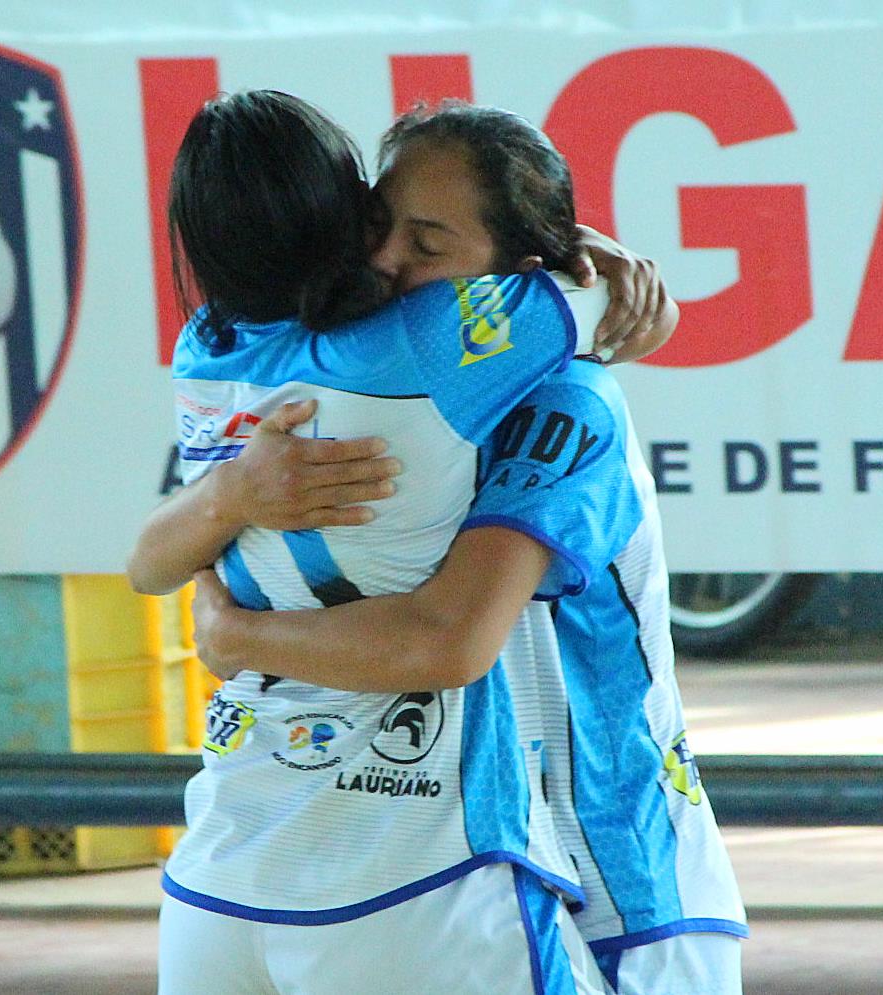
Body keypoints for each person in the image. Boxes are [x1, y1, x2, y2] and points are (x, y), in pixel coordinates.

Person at [189, 103, 746, 995]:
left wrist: (233, 638)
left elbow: (446, 640)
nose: (384, 262)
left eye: (427, 242)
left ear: (519, 276)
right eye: (378, 227)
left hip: (614, 881)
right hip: (478, 852)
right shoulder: (359, 383)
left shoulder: (561, 402)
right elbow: (162, 545)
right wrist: (223, 499)